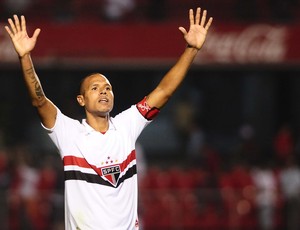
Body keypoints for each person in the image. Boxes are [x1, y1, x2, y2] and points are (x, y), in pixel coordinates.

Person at [5, 7, 213, 230]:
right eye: (95, 88)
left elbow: (164, 91)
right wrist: (25, 57)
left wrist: (191, 50)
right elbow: (40, 101)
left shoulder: (126, 125)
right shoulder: (69, 133)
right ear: (81, 100)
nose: (103, 91)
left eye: (108, 88)